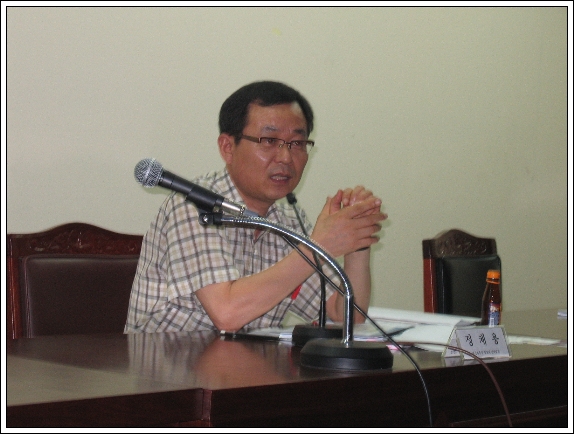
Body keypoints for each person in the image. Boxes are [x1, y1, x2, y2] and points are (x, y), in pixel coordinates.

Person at [124, 81, 387, 333]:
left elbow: (346, 315)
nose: (285, 157)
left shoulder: (288, 221)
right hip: (167, 361)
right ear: (228, 147)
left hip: (242, 362)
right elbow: (227, 314)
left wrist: (357, 240)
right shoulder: (193, 205)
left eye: (297, 143)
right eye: (269, 141)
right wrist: (319, 245)